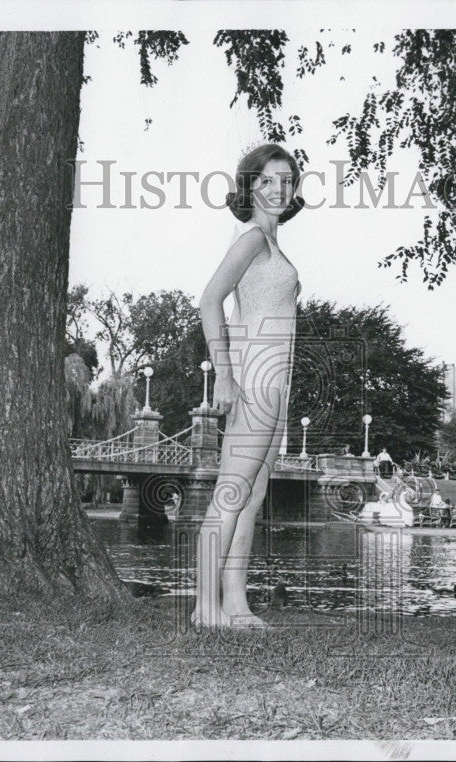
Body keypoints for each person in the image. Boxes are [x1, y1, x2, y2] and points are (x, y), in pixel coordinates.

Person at [194, 143, 305, 629]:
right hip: (253, 378)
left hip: (275, 383)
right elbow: (209, 301)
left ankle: (235, 604)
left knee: (254, 495)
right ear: (251, 186)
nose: (279, 189)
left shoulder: (273, 244)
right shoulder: (252, 240)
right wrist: (224, 374)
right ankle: (204, 607)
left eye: (287, 180)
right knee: (233, 492)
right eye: (268, 180)